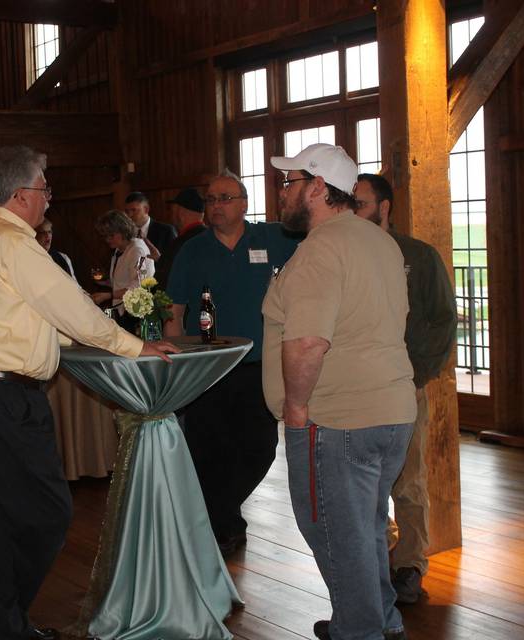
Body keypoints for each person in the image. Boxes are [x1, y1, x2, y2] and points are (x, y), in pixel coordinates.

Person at [0, 145, 178, 640]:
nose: (48, 199)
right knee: (49, 514)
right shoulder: (13, 243)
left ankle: (5, 627)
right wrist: (133, 346)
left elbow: (27, 313)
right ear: (19, 195)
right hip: (6, 398)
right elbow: (69, 306)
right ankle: (8, 621)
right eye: (43, 189)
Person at [262, 144, 416, 640]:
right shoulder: (379, 241)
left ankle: (359, 630)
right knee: (365, 528)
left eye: (290, 183)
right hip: (391, 411)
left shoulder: (321, 249)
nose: (282, 192)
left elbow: (308, 340)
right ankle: (378, 619)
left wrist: (296, 409)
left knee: (334, 533)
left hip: (337, 420)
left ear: (318, 188)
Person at [164, 170, 299, 557]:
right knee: (209, 451)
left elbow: (317, 253)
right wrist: (178, 365)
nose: (216, 206)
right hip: (208, 367)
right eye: (210, 200)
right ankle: (226, 526)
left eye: (225, 198)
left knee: (260, 448)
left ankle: (215, 516)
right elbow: (175, 311)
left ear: (244, 203)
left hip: (259, 365)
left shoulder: (272, 238)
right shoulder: (194, 249)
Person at [354, 173, 457, 605]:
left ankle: (410, 565)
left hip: (406, 385)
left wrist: (418, 372)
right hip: (357, 389)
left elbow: (442, 319)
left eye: (360, 202)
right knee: (363, 484)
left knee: (408, 480)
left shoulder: (417, 255)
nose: (354, 210)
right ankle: (373, 561)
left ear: (384, 207)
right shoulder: (347, 255)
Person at [90, 210, 155, 326]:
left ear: (123, 230)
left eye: (111, 235)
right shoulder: (118, 250)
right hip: (123, 312)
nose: (107, 239)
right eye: (105, 236)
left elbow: (139, 285)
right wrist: (106, 282)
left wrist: (109, 295)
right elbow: (124, 281)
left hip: (136, 314)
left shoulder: (137, 250)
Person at [159, 186, 207, 287]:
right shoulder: (214, 238)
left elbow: (165, 282)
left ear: (180, 213)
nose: (171, 215)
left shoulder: (178, 245)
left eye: (172, 211)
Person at [124, 191, 177, 261]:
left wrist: (159, 259)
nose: (130, 215)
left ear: (146, 209)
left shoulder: (166, 231)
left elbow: (174, 260)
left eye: (134, 210)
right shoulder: (125, 233)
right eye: (127, 211)